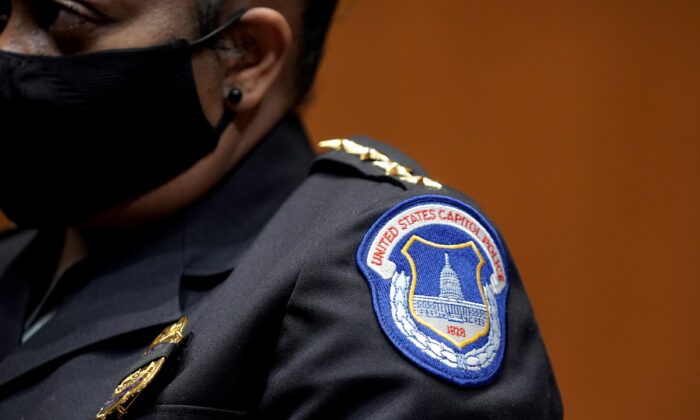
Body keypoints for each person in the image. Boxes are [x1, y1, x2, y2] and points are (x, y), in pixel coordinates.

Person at [0, 0, 562, 418]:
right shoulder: (24, 252)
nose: (8, 44)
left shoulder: (344, 275)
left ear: (244, 57)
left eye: (58, 17)